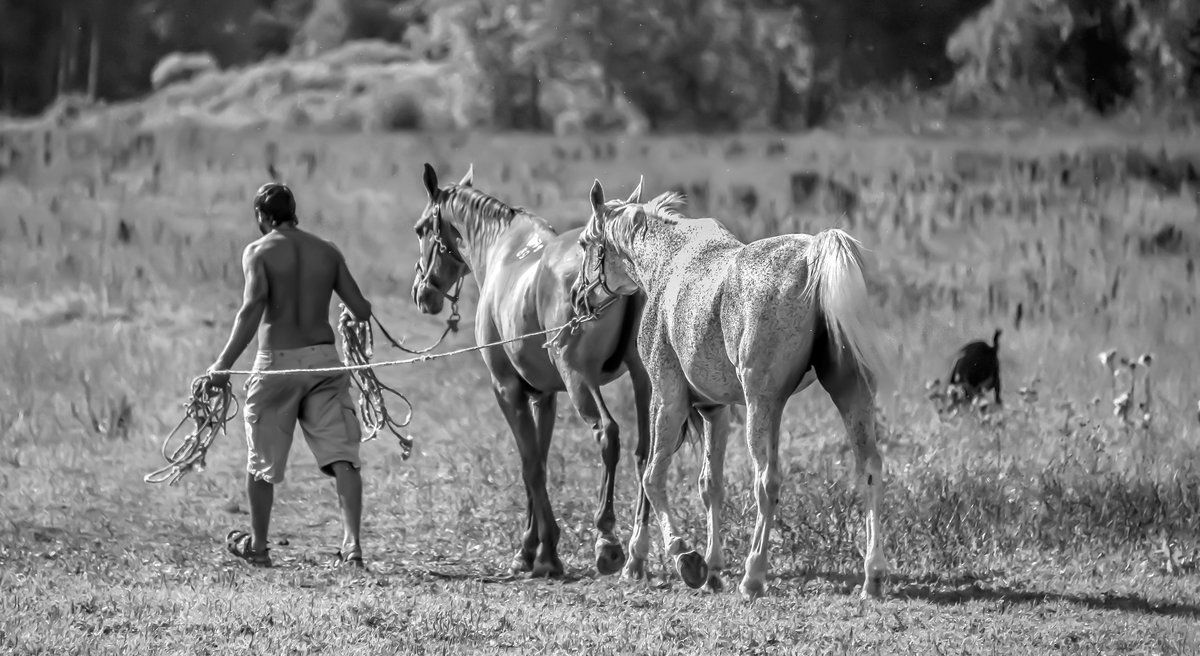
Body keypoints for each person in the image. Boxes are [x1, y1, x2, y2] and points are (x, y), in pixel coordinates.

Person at [205, 181, 374, 569]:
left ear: (262, 218)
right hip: (323, 362)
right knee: (344, 457)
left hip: (276, 365)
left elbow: (251, 311)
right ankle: (352, 547)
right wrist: (349, 312)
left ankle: (260, 547)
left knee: (261, 461)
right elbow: (362, 309)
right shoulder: (327, 251)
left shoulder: (258, 252)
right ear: (294, 212)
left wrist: (222, 365)